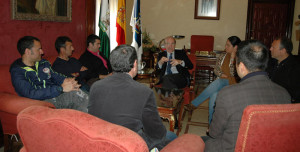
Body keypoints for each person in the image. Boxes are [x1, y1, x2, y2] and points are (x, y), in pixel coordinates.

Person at [204, 40, 291, 152]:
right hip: (270, 147)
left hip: (233, 148)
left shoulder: (227, 94)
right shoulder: (284, 94)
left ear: (241, 66)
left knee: (204, 141)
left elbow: (214, 133)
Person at [88, 45, 177, 150]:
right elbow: (156, 133)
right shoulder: (144, 92)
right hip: (129, 144)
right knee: (171, 136)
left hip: (100, 142)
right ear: (135, 64)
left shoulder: (95, 86)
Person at [10, 36, 89, 112]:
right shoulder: (18, 71)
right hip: (41, 101)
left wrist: (68, 81)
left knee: (82, 92)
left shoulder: (43, 63)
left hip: (55, 94)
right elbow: (30, 93)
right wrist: (60, 89)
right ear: (28, 52)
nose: (42, 52)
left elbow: (55, 76)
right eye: (39, 49)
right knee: (75, 95)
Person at [187, 36, 241, 124]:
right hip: (222, 81)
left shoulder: (239, 58)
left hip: (233, 84)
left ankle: (194, 104)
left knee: (219, 81)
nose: (225, 47)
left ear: (235, 47)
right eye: (225, 44)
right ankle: (211, 125)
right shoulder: (223, 55)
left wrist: (232, 57)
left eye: (228, 45)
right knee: (214, 96)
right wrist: (221, 74)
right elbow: (216, 69)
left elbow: (233, 73)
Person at [267, 37, 300, 103]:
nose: (270, 49)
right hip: (268, 98)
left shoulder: (295, 67)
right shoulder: (270, 62)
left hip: (283, 103)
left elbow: (295, 94)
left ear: (283, 50)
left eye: (273, 47)